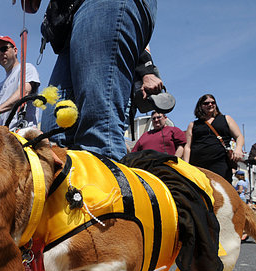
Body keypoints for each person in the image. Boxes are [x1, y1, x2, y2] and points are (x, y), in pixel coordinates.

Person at [24, 0, 161, 162]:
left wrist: (146, 69)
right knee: (55, 135)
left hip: (100, 6)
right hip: (71, 20)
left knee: (98, 133)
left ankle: (105, 185)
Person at [0, 36, 40, 130]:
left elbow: (24, 93)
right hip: (6, 135)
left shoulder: (26, 68)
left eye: (4, 49)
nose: (0, 54)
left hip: (25, 132)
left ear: (15, 50)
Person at [183, 94, 244, 182]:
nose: (210, 105)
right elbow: (188, 146)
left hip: (220, 162)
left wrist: (238, 149)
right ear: (200, 106)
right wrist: (186, 165)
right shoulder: (193, 125)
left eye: (213, 102)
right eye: (206, 103)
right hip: (198, 164)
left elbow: (239, 136)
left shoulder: (226, 119)